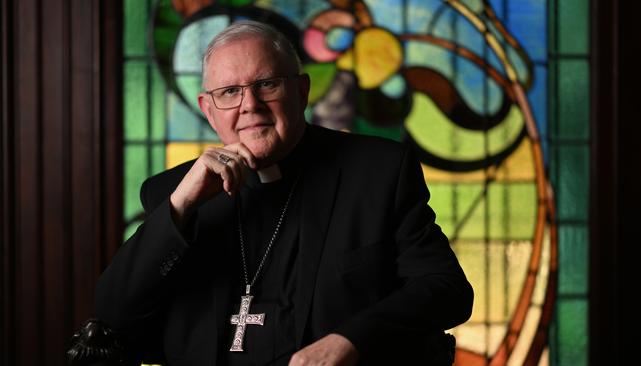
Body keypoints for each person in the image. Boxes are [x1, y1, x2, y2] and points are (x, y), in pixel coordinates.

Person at [95, 20, 473, 366]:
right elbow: (112, 316)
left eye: (266, 84)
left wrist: (350, 340)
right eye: (229, 92)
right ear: (208, 111)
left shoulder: (377, 172)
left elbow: (445, 289)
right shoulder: (174, 193)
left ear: (302, 90)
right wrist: (181, 205)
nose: (250, 106)